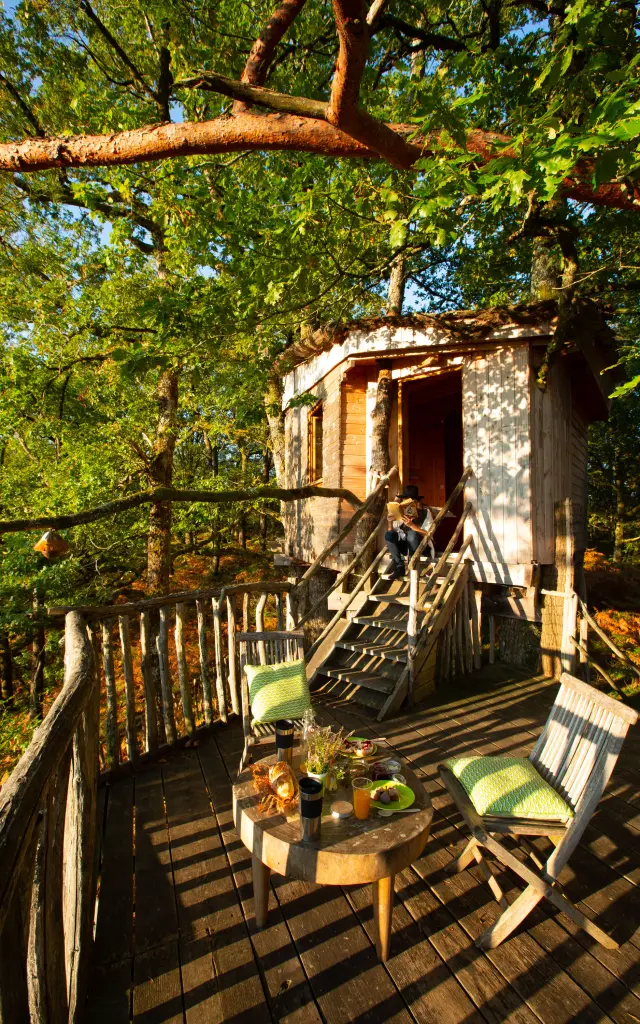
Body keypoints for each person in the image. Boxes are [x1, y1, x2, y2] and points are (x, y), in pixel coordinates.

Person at [385, 485, 435, 580]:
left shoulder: (425, 512)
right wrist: (390, 522)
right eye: (404, 500)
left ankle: (412, 565)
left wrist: (412, 525)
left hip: (421, 547)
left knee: (412, 534)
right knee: (389, 535)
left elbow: (429, 534)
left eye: (409, 501)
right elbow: (392, 535)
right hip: (405, 546)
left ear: (416, 502)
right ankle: (399, 567)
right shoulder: (401, 512)